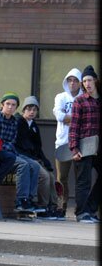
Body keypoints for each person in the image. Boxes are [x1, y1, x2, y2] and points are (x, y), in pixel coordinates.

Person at [0, 92, 43, 213]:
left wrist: (8, 146)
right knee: (23, 165)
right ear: (2, 105)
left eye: (13, 105)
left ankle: (30, 199)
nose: (10, 107)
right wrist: (8, 146)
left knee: (34, 165)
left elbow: (12, 141)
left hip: (10, 152)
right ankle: (21, 200)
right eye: (7, 104)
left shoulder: (14, 121)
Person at [15, 96, 63, 219]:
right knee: (45, 177)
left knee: (51, 176)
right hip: (24, 157)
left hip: (35, 158)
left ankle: (53, 206)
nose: (32, 112)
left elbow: (38, 148)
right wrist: (34, 159)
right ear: (23, 110)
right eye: (29, 109)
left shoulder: (34, 126)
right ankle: (42, 207)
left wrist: (46, 162)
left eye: (34, 110)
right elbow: (18, 146)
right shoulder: (18, 122)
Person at [69, 65, 100, 223]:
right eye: (84, 81)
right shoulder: (79, 101)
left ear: (95, 81)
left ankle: (91, 209)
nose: (87, 84)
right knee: (84, 181)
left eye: (89, 80)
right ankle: (81, 213)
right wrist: (74, 148)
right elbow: (74, 127)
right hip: (84, 146)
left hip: (98, 147)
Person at [53, 68, 82, 218]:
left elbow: (65, 116)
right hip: (63, 142)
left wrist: (68, 117)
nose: (72, 83)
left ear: (80, 82)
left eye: (75, 80)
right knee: (61, 178)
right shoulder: (61, 97)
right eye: (70, 80)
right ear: (66, 82)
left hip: (80, 143)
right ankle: (61, 207)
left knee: (80, 178)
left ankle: (80, 208)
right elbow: (58, 115)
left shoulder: (85, 97)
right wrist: (77, 117)